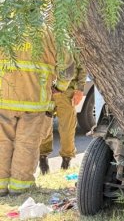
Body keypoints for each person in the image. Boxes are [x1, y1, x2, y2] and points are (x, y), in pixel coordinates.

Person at [0, 30, 74, 196]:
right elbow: (68, 67)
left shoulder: (4, 24)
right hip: (34, 101)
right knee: (27, 144)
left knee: (2, 142)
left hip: (3, 99)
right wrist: (60, 87)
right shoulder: (51, 32)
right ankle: (20, 188)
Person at [39, 53, 87, 174]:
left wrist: (80, 89)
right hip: (46, 91)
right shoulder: (44, 37)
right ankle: (43, 159)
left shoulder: (69, 40)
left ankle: (66, 160)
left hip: (66, 92)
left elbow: (83, 66)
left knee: (67, 128)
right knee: (44, 125)